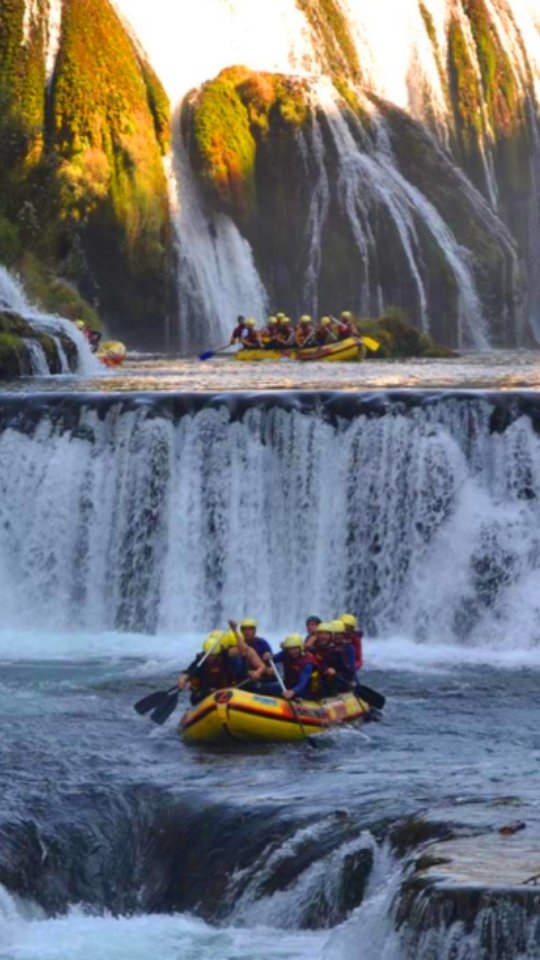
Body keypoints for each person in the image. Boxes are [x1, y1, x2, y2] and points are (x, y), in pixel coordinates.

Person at [178, 633, 231, 705]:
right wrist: (182, 679)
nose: (211, 658)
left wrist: (234, 630)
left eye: (213, 655)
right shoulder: (200, 661)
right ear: (204, 653)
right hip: (202, 693)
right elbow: (188, 672)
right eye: (208, 655)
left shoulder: (223, 657)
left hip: (221, 692)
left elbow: (240, 650)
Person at [265, 634, 321, 700]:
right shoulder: (285, 654)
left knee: (277, 690)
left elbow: (302, 682)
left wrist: (293, 691)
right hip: (287, 687)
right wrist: (268, 656)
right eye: (290, 649)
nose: (292, 651)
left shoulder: (307, 663)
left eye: (295, 648)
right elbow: (272, 659)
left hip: (304, 691)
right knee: (267, 687)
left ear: (300, 648)